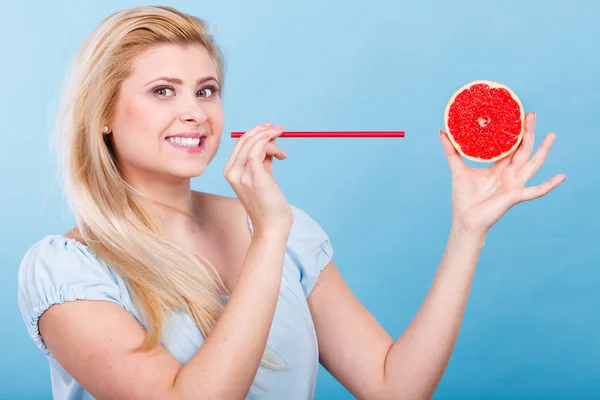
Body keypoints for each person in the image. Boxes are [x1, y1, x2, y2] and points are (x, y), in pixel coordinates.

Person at [16, 5, 566, 400]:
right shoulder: (66, 272)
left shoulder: (287, 229)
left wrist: (467, 232)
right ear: (103, 115)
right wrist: (269, 235)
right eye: (164, 91)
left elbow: (393, 386)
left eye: (206, 90)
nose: (196, 113)